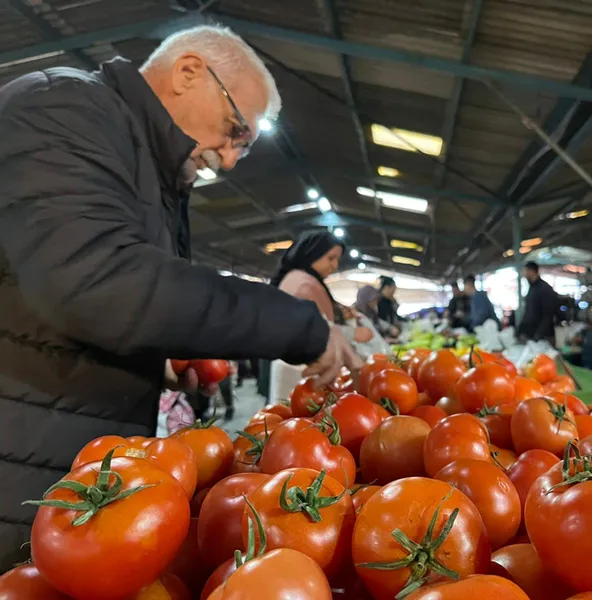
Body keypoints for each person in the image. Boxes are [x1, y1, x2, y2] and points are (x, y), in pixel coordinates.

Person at [0, 25, 357, 569]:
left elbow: (85, 301)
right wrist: (300, 325)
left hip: (65, 467)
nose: (231, 159)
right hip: (20, 464)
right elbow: (97, 282)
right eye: (236, 131)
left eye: (244, 146)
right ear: (189, 72)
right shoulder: (63, 107)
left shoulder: (150, 168)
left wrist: (153, 360)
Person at [271, 230, 363, 401]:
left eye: (337, 259)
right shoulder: (303, 284)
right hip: (301, 370)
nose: (335, 265)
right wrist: (352, 334)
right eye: (331, 258)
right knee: (296, 412)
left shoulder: (302, 279)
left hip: (303, 368)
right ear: (312, 253)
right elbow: (314, 328)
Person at [517, 261, 559, 346]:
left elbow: (548, 315)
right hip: (532, 335)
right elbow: (528, 312)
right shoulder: (532, 288)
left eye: (525, 271)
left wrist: (539, 335)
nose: (524, 274)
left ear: (532, 271)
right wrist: (520, 330)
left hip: (544, 337)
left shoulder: (545, 289)